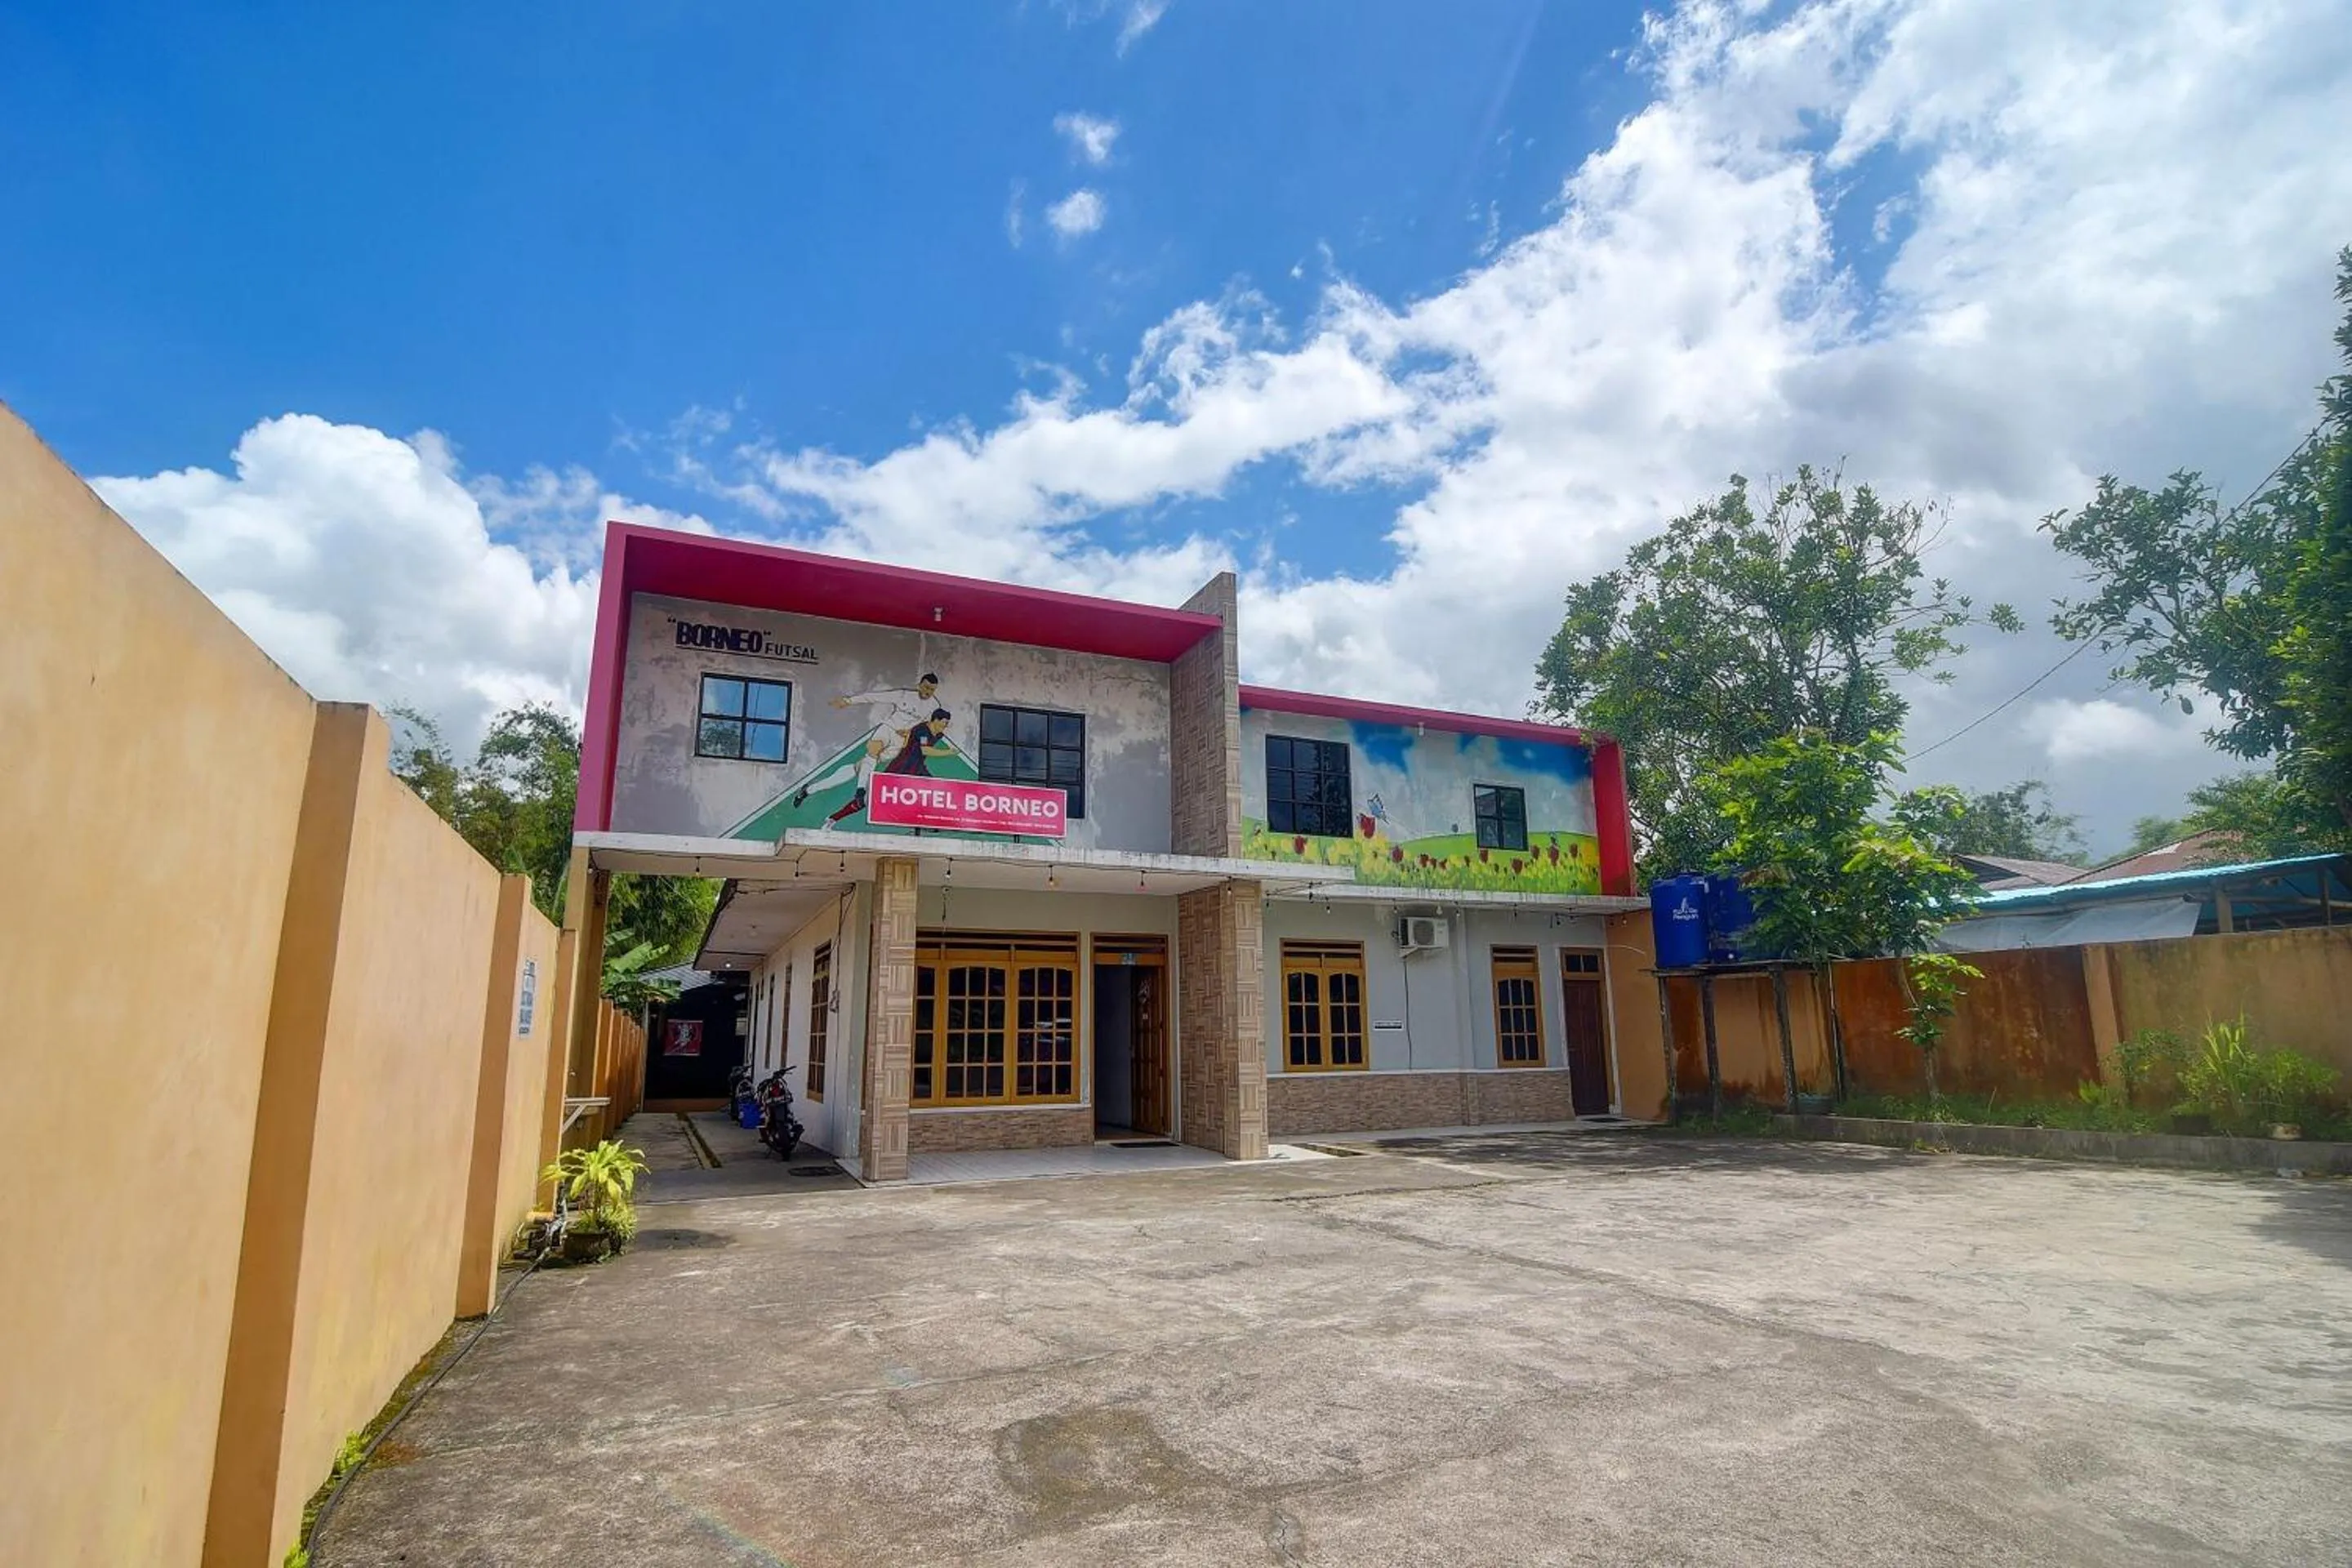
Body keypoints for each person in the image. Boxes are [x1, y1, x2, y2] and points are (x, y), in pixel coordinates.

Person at [789, 672, 941, 809]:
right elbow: (874, 697)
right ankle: (860, 791)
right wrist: (848, 701)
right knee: (873, 751)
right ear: (919, 685)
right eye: (926, 687)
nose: (927, 692)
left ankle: (809, 790)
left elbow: (928, 728)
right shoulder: (903, 695)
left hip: (901, 742)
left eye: (931, 690)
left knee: (858, 768)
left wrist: (910, 734)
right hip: (888, 729)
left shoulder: (934, 707)